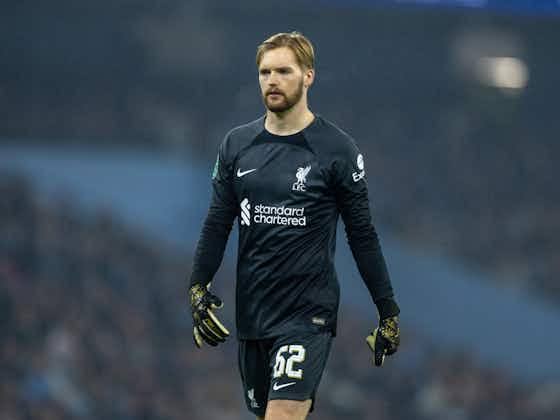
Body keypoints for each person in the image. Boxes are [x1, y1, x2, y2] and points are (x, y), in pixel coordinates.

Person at [188, 32, 401, 420]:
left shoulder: (337, 149)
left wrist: (387, 311)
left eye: (283, 71)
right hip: (253, 313)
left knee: (283, 414)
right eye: (265, 72)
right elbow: (217, 223)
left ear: (308, 76)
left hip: (307, 315)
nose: (272, 80)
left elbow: (362, 235)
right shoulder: (236, 145)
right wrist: (198, 286)